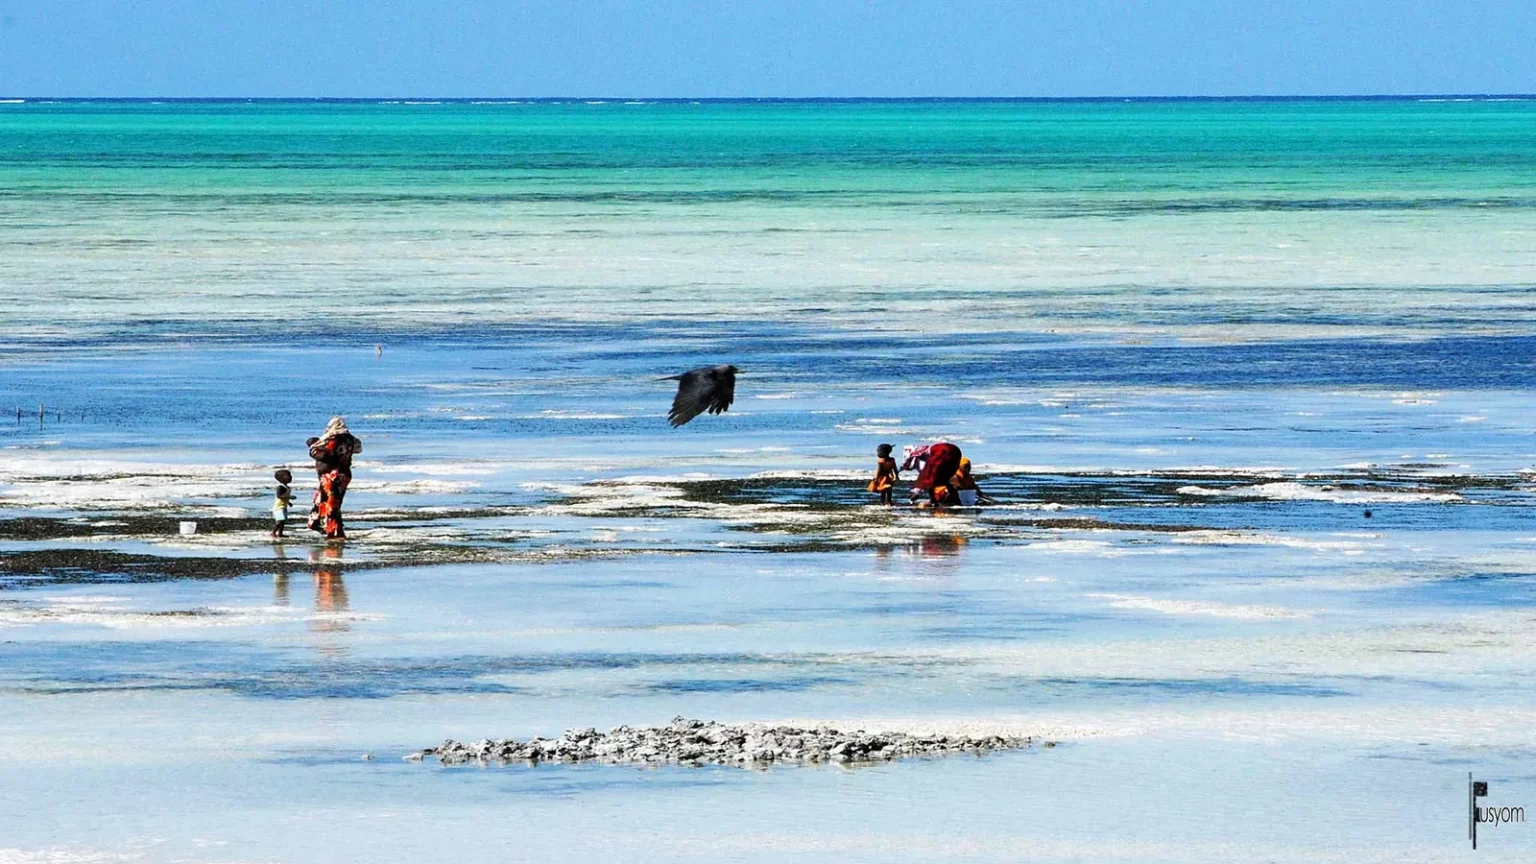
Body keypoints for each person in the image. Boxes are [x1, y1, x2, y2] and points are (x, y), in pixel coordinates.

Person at [306, 416, 362, 540]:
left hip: (331, 475)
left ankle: (331, 531)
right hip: (344, 473)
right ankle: (335, 529)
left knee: (329, 502)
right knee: (333, 501)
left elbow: (314, 450)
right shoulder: (351, 439)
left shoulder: (331, 439)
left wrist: (320, 451)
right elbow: (359, 449)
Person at [903, 441, 963, 508]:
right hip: (954, 452)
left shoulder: (919, 460)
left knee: (930, 480)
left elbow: (925, 476)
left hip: (943, 452)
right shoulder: (919, 453)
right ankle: (957, 501)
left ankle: (934, 501)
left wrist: (917, 492)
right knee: (945, 480)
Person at [270, 469, 294, 539]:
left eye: (290, 475)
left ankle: (280, 533)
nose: (290, 477)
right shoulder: (280, 487)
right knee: (279, 521)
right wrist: (289, 497)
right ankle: (273, 532)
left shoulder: (287, 487)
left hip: (284, 506)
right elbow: (279, 496)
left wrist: (289, 502)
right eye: (288, 476)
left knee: (283, 521)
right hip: (278, 507)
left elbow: (284, 498)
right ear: (281, 478)